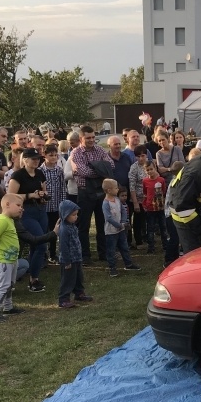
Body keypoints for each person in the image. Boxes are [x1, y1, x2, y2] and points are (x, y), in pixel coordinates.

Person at [7, 147, 48, 293]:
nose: (36, 161)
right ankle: (33, 279)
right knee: (40, 244)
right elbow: (10, 197)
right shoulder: (18, 176)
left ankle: (30, 273)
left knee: (38, 245)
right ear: (25, 160)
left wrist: (43, 195)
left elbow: (44, 188)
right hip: (26, 212)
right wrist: (30, 196)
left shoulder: (40, 173)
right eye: (33, 158)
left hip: (40, 210)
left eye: (38, 158)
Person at [70, 126, 111, 263]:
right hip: (84, 193)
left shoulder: (99, 149)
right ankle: (85, 255)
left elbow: (110, 165)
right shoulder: (76, 153)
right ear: (81, 138)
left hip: (100, 191)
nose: (91, 140)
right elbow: (83, 172)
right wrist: (100, 170)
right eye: (88, 138)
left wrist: (94, 167)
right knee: (83, 226)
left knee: (102, 223)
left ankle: (103, 253)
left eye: (93, 137)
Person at [0, 193, 24, 323]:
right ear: (7, 205)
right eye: (18, 205)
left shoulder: (9, 220)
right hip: (3, 259)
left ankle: (8, 307)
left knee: (10, 285)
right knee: (3, 285)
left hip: (11, 259)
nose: (21, 208)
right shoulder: (2, 220)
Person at [57, 199, 93, 309]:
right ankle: (63, 299)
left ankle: (79, 293)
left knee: (78, 277)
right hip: (68, 260)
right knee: (68, 280)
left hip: (77, 258)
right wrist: (67, 261)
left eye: (76, 214)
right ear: (65, 214)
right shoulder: (64, 229)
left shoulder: (72, 226)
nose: (76, 217)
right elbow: (63, 246)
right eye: (73, 215)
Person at [102, 179, 141, 277]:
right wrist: (118, 225)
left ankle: (128, 264)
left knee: (124, 247)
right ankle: (112, 268)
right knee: (111, 250)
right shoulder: (106, 203)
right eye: (116, 188)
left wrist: (123, 222)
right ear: (109, 190)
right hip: (111, 232)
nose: (117, 189)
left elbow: (123, 211)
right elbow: (108, 218)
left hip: (121, 230)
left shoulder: (117, 200)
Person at [141, 161, 167, 254]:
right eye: (147, 170)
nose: (150, 171)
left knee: (163, 227)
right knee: (150, 228)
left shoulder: (161, 180)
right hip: (150, 208)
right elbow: (145, 193)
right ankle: (151, 247)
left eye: (151, 169)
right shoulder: (145, 181)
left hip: (160, 207)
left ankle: (165, 245)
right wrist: (145, 204)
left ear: (155, 168)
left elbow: (164, 191)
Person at [163, 160, 184, 268]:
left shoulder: (175, 180)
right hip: (171, 215)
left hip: (172, 214)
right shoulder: (175, 183)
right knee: (174, 238)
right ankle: (168, 260)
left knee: (176, 238)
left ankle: (175, 259)